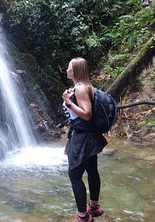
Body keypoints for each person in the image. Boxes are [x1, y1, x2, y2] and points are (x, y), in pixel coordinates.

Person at [62, 57, 107, 222]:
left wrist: (68, 102)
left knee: (74, 175)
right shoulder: (85, 87)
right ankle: (94, 207)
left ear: (75, 70)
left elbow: (87, 114)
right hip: (89, 135)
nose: (66, 70)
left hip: (82, 137)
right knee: (92, 171)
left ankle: (83, 216)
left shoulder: (80, 88)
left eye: (68, 67)